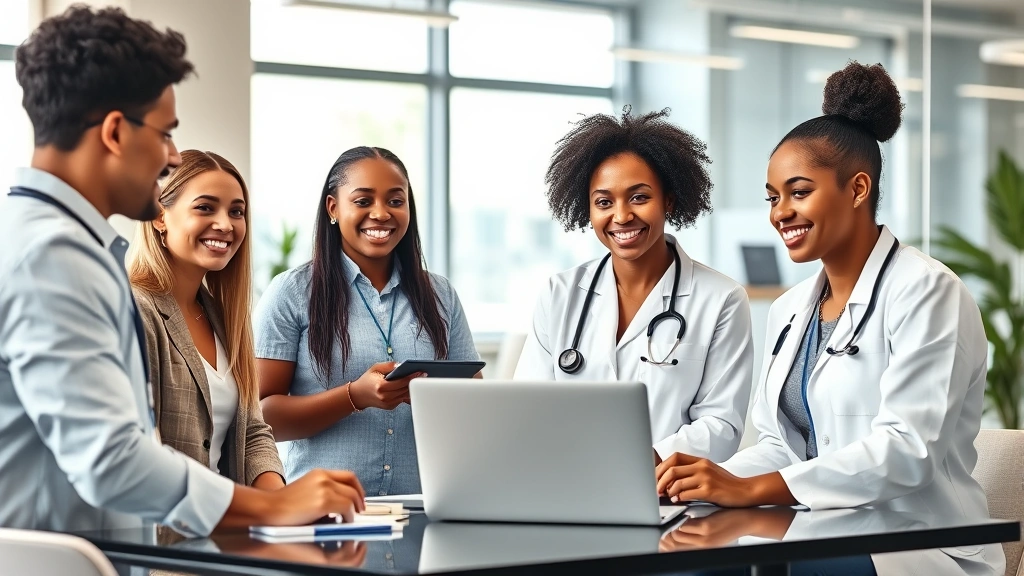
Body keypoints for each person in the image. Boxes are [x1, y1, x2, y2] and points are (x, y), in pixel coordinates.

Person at [0, 6, 364, 537]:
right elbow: (111, 459)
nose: (170, 155)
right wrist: (272, 508)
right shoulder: (53, 255)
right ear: (116, 133)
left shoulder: (48, 240)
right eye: (165, 133)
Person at [654, 62, 1004, 575]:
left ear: (858, 189)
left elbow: (907, 450)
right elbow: (779, 444)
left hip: (919, 547)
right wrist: (709, 480)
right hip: (818, 530)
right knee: (683, 557)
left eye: (799, 192)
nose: (780, 213)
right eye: (773, 198)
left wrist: (750, 490)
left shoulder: (927, 290)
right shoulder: (790, 309)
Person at [514, 108, 754, 463]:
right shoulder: (560, 294)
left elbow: (721, 425)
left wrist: (640, 461)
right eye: (604, 202)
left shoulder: (721, 299)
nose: (622, 216)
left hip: (668, 496)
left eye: (639, 197)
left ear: (668, 200)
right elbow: (526, 409)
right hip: (568, 485)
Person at [255, 146, 480, 495]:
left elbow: (476, 403)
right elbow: (261, 418)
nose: (381, 213)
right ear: (333, 208)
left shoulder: (440, 294)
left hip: (423, 507)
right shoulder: (292, 292)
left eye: (395, 201)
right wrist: (353, 396)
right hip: (326, 517)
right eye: (363, 201)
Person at [129, 149, 284, 488]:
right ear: (159, 215)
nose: (226, 224)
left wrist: (283, 505)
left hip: (222, 531)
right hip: (165, 532)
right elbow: (143, 450)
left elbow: (253, 433)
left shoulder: (224, 316)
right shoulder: (137, 309)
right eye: (205, 207)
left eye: (237, 211)